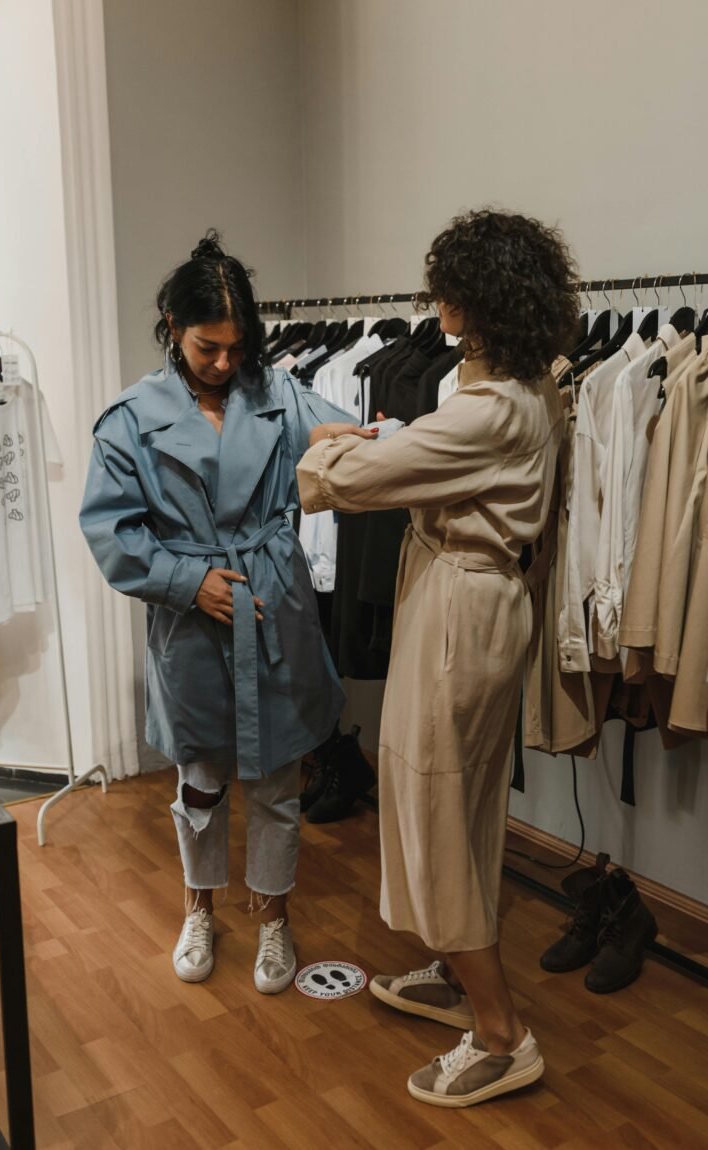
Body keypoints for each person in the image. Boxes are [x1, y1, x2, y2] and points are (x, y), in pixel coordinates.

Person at [297, 209, 578, 1105]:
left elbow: (346, 483)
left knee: (431, 802)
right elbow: (425, 454)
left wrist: (325, 447)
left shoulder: (494, 406)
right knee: (463, 798)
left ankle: (500, 1034)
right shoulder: (523, 382)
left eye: (449, 285)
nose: (437, 298)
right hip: (475, 596)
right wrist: (388, 444)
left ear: (477, 298)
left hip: (460, 602)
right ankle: (460, 978)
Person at [80, 231, 368, 994]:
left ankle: (273, 917)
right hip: (192, 620)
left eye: (237, 348)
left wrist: (345, 440)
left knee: (276, 777)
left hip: (272, 601)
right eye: (208, 347)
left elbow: (340, 431)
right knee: (201, 779)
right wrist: (186, 578)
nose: (223, 364)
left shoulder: (277, 392)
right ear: (173, 327)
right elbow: (111, 532)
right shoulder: (130, 421)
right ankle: (198, 908)